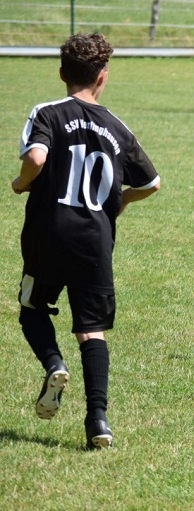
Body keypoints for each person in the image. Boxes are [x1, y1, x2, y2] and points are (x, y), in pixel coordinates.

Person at [11, 33, 161, 449]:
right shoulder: (117, 127)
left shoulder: (48, 112)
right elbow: (152, 183)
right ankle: (98, 420)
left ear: (62, 74)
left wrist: (21, 183)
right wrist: (120, 201)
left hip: (49, 233)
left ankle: (53, 364)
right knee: (92, 330)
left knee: (32, 308)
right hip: (95, 241)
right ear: (103, 77)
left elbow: (36, 157)